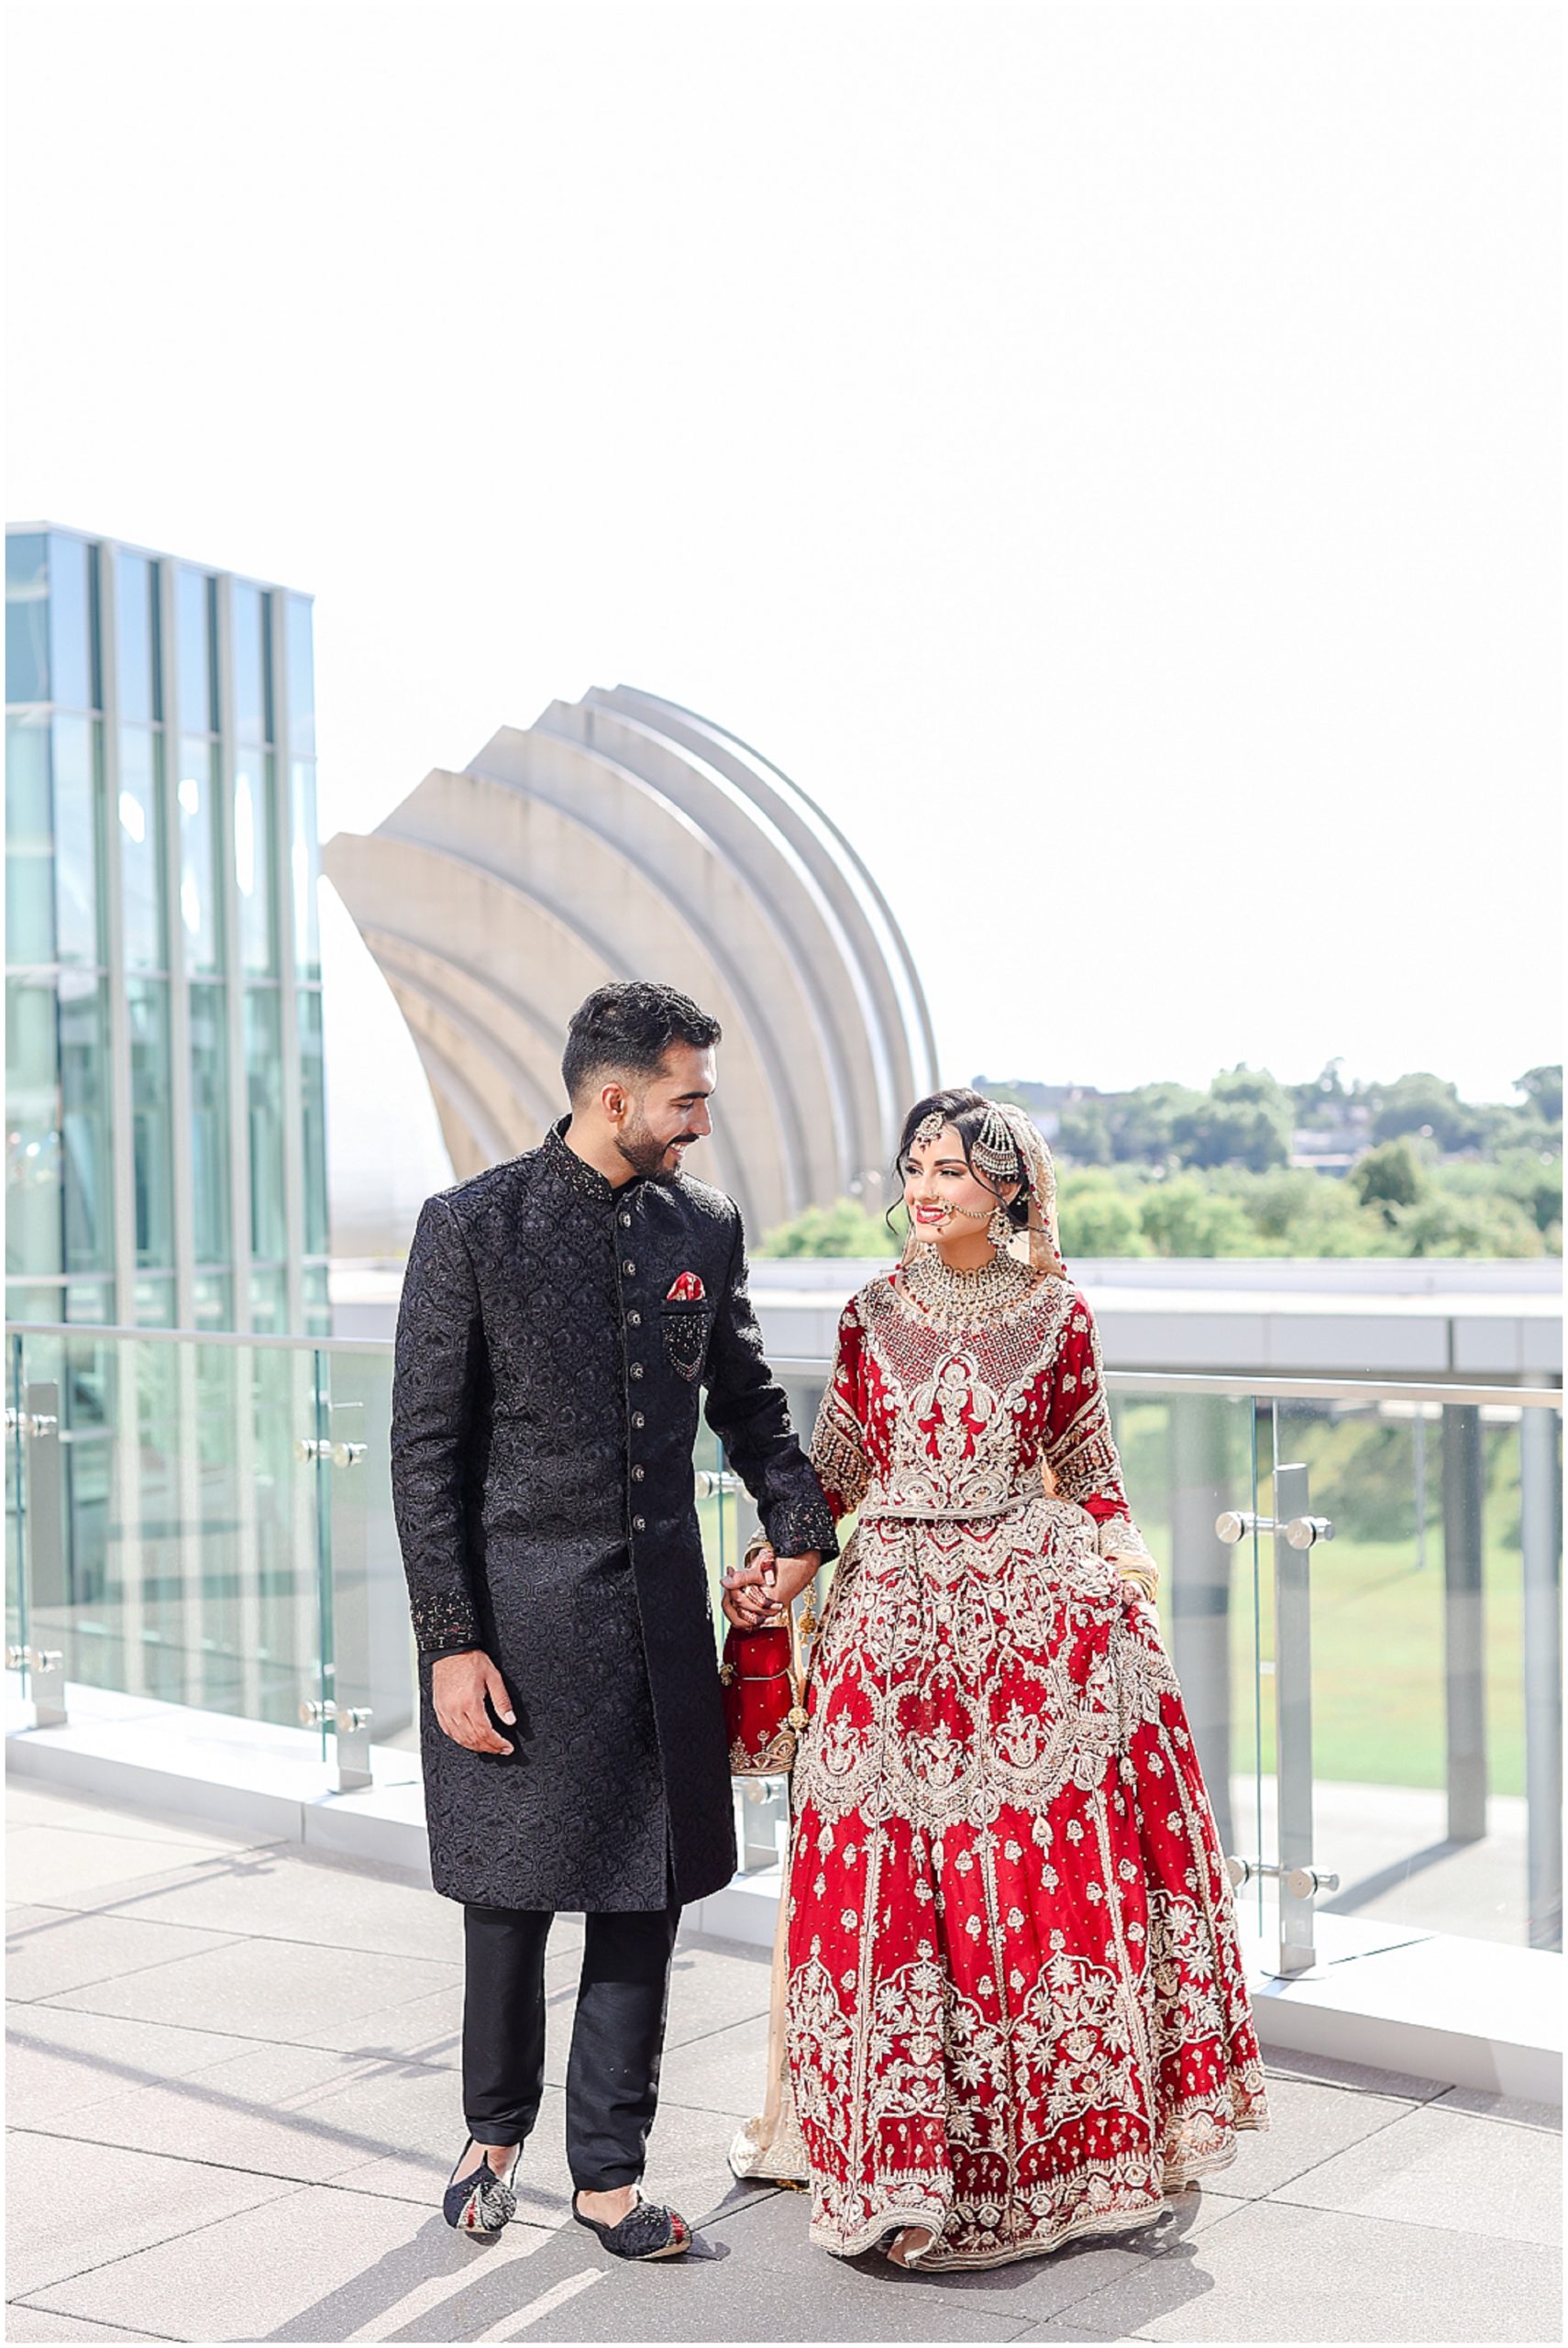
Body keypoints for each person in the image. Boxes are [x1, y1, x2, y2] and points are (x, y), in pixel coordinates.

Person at [723, 1090, 1268, 2270]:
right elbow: (839, 1468)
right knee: (881, 1877)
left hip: (1027, 1614)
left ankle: (1052, 2157)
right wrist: (780, 1564)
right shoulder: (870, 1312)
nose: (929, 1190)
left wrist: (1124, 1574)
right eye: (918, 1166)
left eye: (957, 1172)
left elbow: (1093, 1467)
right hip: (891, 1617)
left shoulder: (1058, 1314)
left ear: (1010, 1190)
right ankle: (895, 2158)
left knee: (1024, 1875)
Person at [391, 980, 834, 2262]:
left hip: (655, 1621)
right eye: (688, 1097)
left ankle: (607, 2176)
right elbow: (425, 1455)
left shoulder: (702, 1225)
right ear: (617, 1095)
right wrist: (447, 1641)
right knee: (509, 1897)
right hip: (514, 1625)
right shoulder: (470, 1225)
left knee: (647, 1895)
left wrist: (798, 1529)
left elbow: (746, 1403)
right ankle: (488, 2140)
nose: (702, 1121)